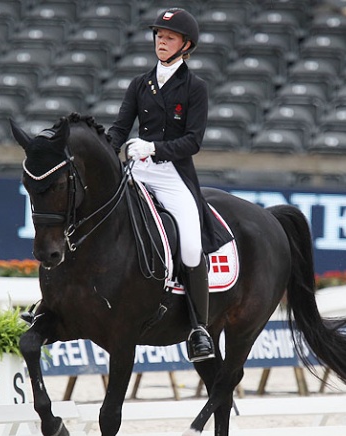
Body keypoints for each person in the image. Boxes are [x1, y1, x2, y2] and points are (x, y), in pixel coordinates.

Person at [107, 7, 232, 363]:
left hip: (173, 175)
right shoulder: (139, 84)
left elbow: (193, 141)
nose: (162, 41)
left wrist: (154, 148)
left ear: (185, 45)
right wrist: (107, 147)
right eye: (159, 36)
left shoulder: (195, 88)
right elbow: (119, 128)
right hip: (139, 173)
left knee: (191, 247)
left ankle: (199, 329)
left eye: (170, 37)